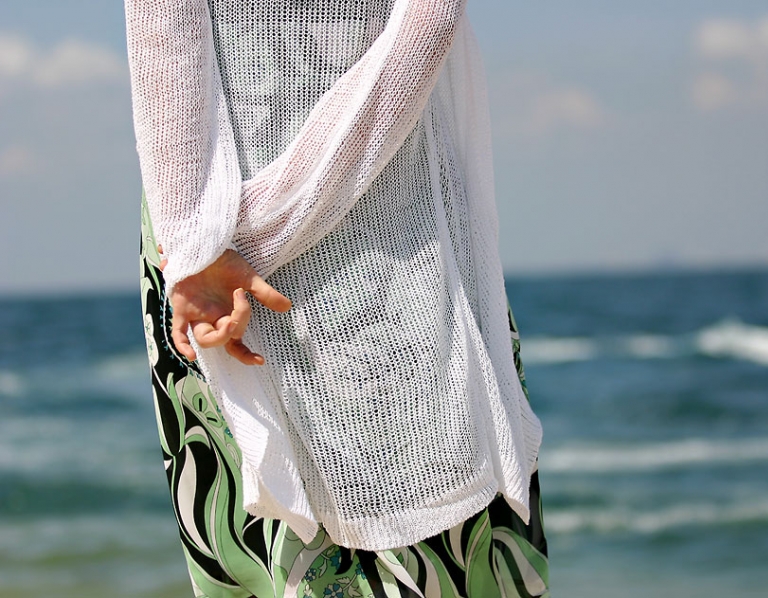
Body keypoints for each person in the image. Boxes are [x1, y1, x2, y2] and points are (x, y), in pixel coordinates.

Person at [126, 0, 548, 596]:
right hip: (274, 224)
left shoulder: (203, 246)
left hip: (321, 221)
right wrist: (207, 245)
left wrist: (215, 243)